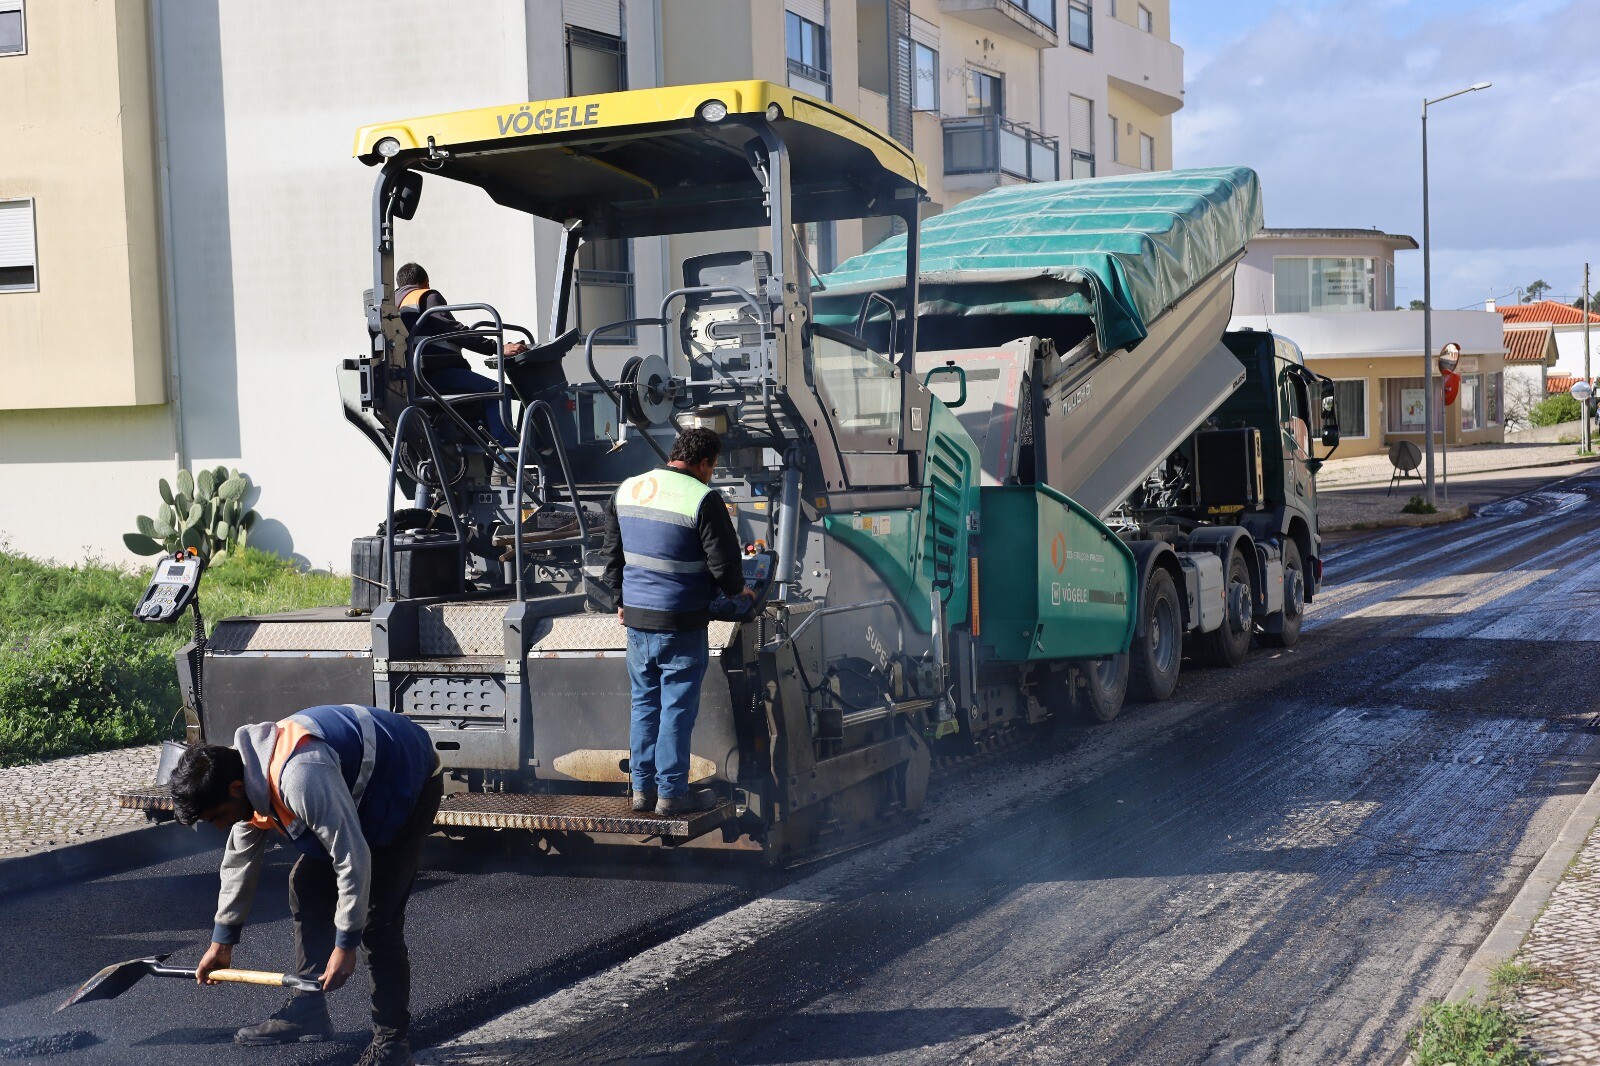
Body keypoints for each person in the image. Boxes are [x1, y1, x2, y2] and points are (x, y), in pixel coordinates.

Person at [169, 704, 443, 1066]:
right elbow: (238, 862)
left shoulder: (299, 776)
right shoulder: (247, 780)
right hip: (353, 790)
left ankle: (392, 1044)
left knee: (377, 921)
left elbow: (351, 855)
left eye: (218, 816)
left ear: (236, 788)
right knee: (307, 883)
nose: (220, 826)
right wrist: (222, 941)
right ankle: (307, 1010)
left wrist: (344, 944)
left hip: (406, 777)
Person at [602, 428, 753, 815]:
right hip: (681, 622)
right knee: (676, 708)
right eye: (713, 467)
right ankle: (671, 795)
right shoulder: (702, 498)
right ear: (703, 463)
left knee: (643, 704)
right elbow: (724, 564)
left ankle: (641, 791)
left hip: (636, 619)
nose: (712, 474)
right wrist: (739, 592)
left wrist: (620, 600)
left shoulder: (627, 490)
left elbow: (612, 556)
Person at [395, 261, 524, 446]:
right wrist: (498, 348)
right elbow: (454, 331)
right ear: (425, 282)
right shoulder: (426, 296)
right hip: (437, 373)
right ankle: (507, 461)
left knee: (485, 397)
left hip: (413, 378)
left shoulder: (394, 305)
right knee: (498, 392)